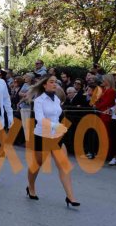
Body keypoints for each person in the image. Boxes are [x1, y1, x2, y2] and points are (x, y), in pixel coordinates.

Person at [26, 75, 80, 207]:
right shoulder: (39, 100)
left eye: (56, 82)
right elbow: (39, 119)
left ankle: (70, 197)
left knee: (64, 165)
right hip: (42, 135)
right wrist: (55, 126)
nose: (54, 84)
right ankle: (31, 187)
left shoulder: (56, 99)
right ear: (44, 85)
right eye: (51, 82)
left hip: (56, 136)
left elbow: (57, 116)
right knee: (36, 165)